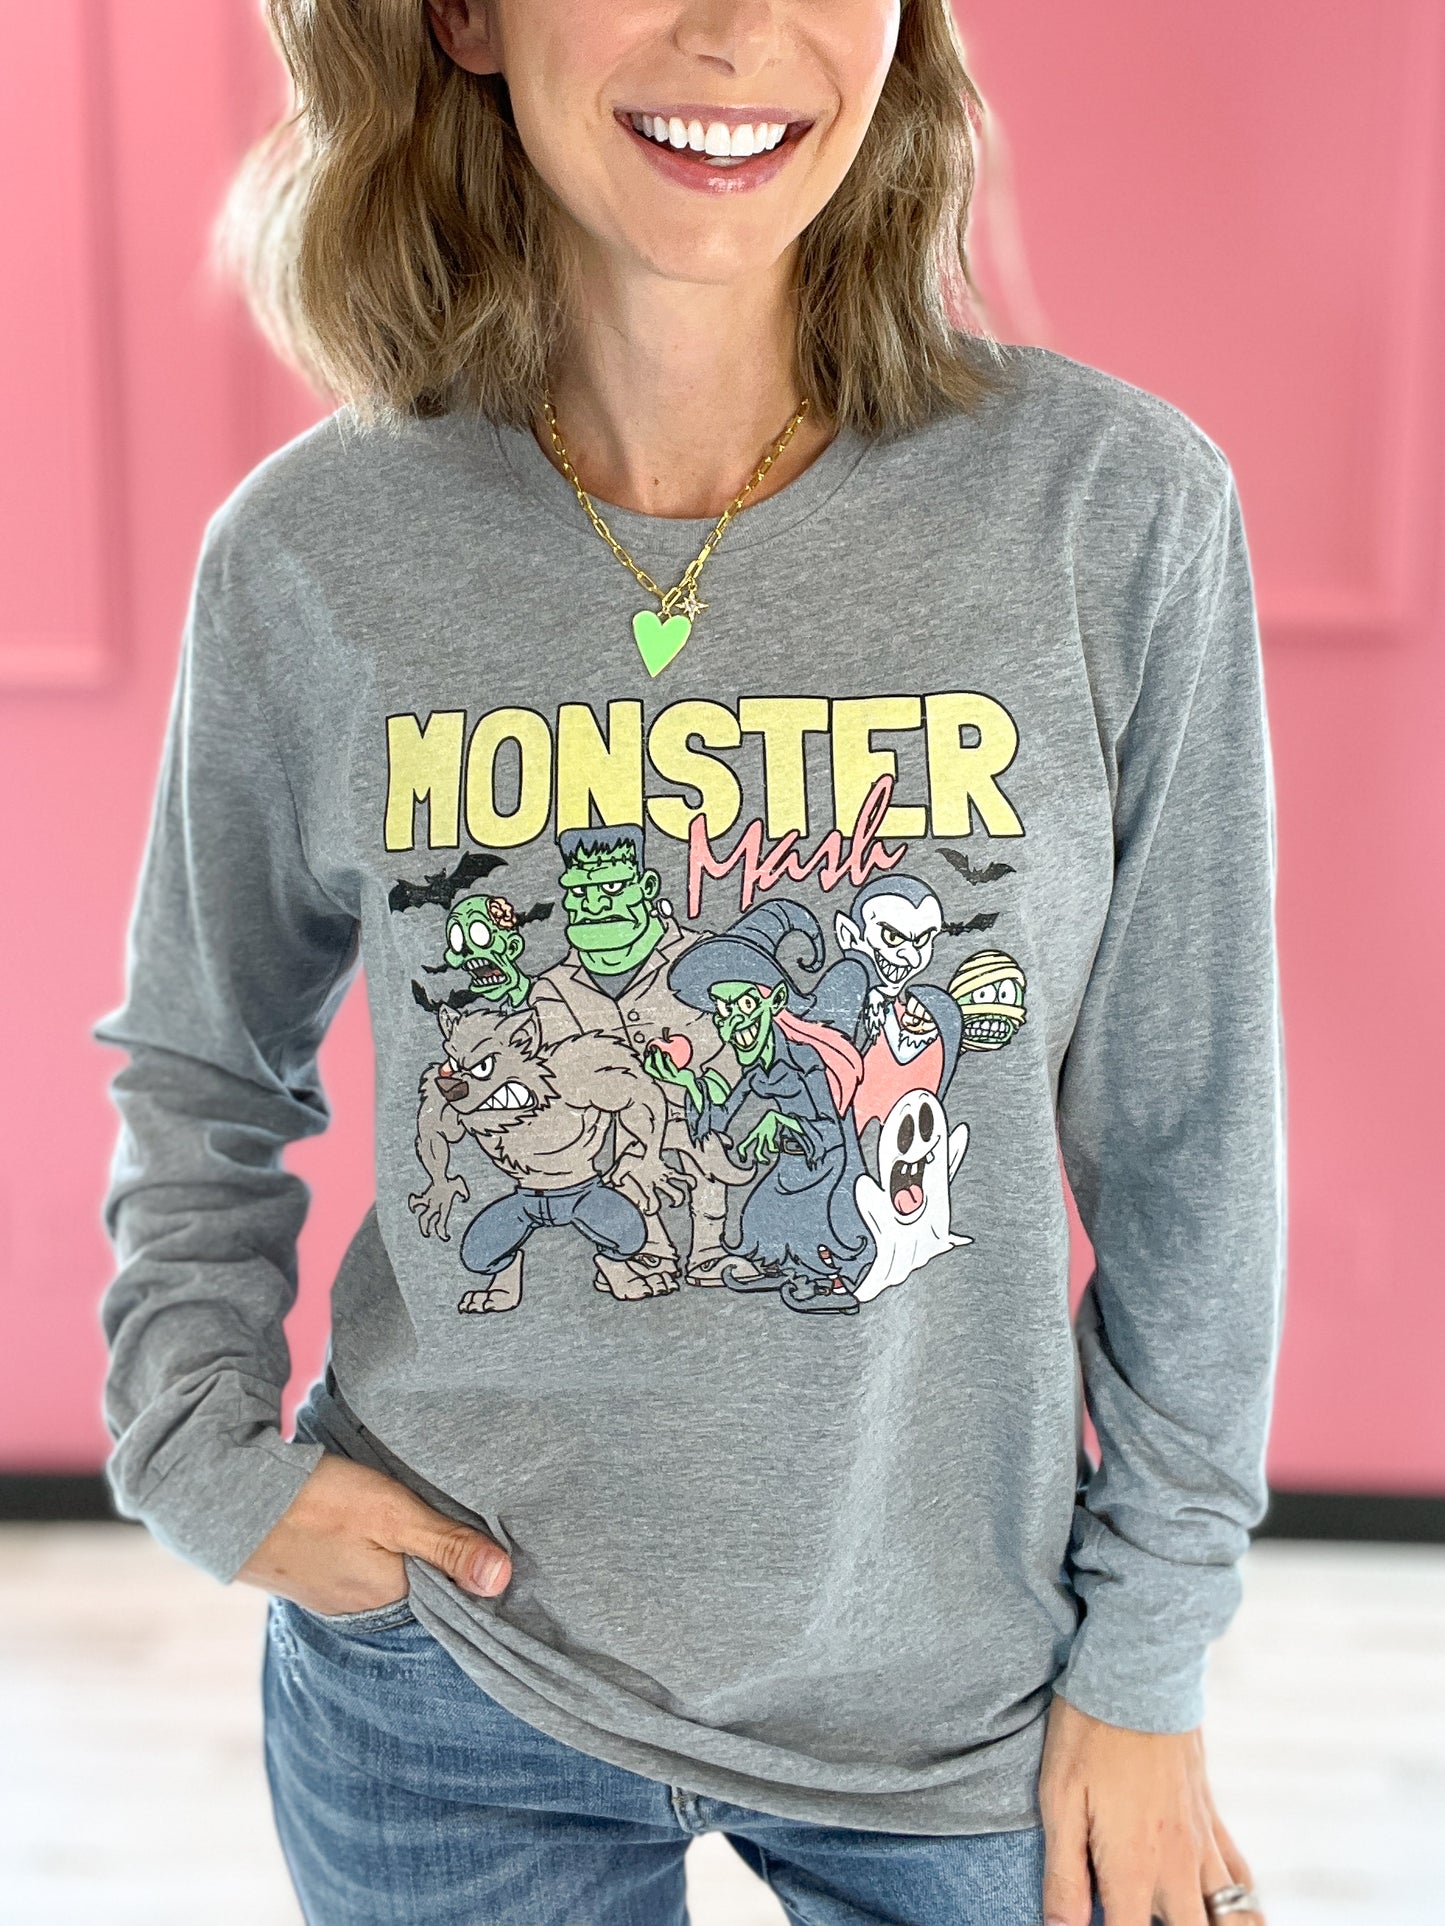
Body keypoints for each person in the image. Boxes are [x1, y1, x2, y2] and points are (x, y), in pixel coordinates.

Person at [94, 2, 1282, 1922]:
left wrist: (1146, 1658)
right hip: (453, 1680)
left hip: (966, 1705)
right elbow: (203, 1062)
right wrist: (198, 1453)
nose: (735, 32)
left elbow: (1189, 1138)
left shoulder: (1107, 509)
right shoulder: (314, 551)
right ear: (466, 17)